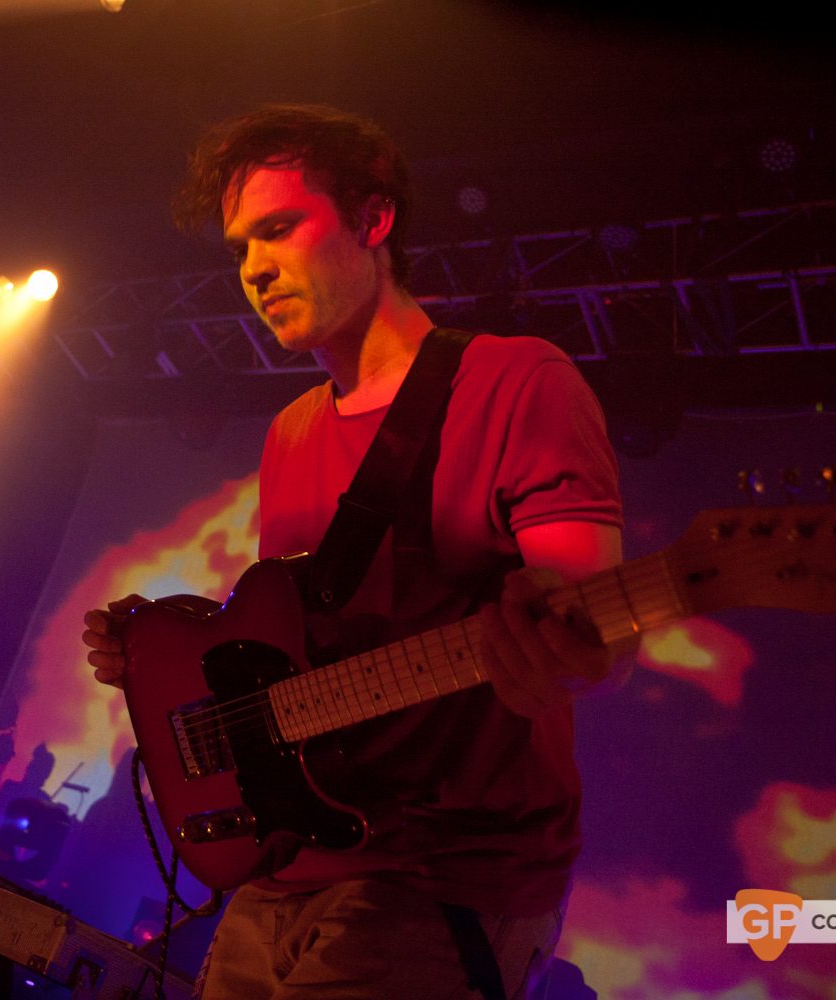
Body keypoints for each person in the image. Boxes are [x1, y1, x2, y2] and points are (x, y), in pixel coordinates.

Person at [82, 105, 628, 999]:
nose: (254, 268)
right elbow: (287, 647)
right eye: (239, 249)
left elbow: (596, 610)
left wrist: (564, 644)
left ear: (375, 220)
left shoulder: (517, 381)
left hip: (445, 879)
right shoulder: (292, 430)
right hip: (287, 865)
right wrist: (160, 658)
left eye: (279, 228)